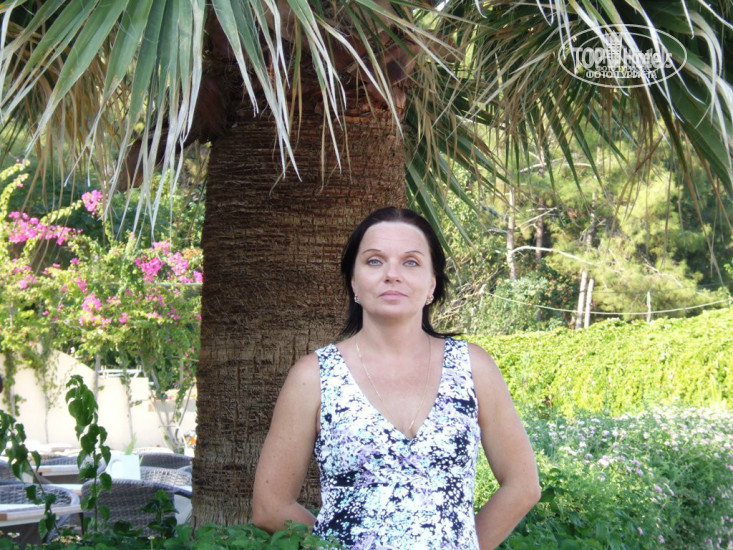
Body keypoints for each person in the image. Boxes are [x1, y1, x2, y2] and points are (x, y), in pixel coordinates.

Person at [253, 207, 541, 549]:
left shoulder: (473, 367)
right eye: (374, 261)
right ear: (354, 282)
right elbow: (270, 507)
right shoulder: (313, 377)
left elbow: (523, 486)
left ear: (432, 283)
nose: (392, 274)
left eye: (411, 262)